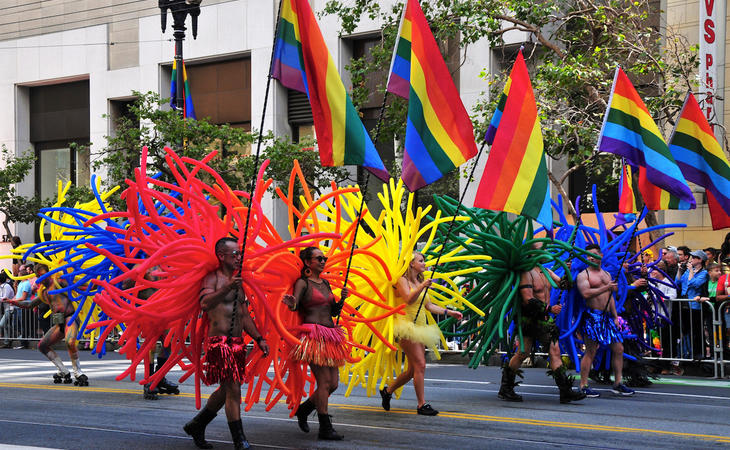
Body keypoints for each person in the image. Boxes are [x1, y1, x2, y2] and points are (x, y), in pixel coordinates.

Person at [183, 237, 269, 450]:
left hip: (237, 344)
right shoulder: (212, 279)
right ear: (221, 256)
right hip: (218, 342)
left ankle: (197, 424)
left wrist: (259, 338)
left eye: (240, 254)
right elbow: (205, 303)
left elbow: (244, 316)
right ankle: (239, 440)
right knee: (233, 388)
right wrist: (227, 287)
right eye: (235, 254)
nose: (239, 258)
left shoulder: (239, 283)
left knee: (227, 389)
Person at [379, 252, 464, 415]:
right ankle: (421, 405)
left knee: (412, 370)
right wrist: (422, 286)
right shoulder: (402, 280)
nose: (424, 263)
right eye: (421, 261)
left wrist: (449, 312)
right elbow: (409, 299)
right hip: (406, 327)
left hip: (421, 328)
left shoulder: (418, 281)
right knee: (421, 365)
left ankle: (387, 391)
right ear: (411, 263)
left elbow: (429, 306)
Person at [282, 246, 349, 440]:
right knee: (324, 382)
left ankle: (304, 410)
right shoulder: (302, 283)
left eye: (324, 258)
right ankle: (325, 427)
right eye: (318, 258)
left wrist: (342, 300)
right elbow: (296, 305)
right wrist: (290, 303)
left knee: (334, 384)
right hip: (313, 336)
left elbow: (333, 311)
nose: (323, 261)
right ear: (308, 263)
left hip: (331, 336)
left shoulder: (326, 283)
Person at [7, 264, 87, 384]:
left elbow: (79, 286)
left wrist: (98, 284)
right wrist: (13, 302)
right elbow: (30, 304)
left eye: (43, 274)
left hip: (70, 318)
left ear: (48, 273)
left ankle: (78, 372)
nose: (41, 277)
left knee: (70, 342)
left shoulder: (59, 283)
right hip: (59, 323)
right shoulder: (43, 292)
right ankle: (63, 371)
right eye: (38, 275)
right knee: (42, 345)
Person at [576, 244, 635, 397]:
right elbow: (586, 293)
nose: (591, 258)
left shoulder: (607, 274)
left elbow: (611, 299)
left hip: (608, 318)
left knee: (619, 349)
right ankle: (583, 385)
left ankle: (618, 383)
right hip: (592, 317)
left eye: (594, 254)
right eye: (588, 255)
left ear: (601, 256)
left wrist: (615, 316)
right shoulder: (584, 275)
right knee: (591, 351)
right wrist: (607, 287)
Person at [676, 249, 708, 360]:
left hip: (695, 306)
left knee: (696, 331)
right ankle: (687, 352)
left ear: (700, 260)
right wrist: (680, 271)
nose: (691, 259)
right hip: (684, 303)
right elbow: (678, 282)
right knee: (686, 330)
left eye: (694, 257)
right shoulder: (689, 270)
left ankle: (699, 353)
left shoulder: (704, 273)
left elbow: (693, 283)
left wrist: (690, 272)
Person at [0, 272, 16, 347]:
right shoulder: (1, 287)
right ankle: (7, 341)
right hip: (5, 308)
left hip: (10, 308)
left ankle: (11, 336)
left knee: (2, 324)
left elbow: (5, 298)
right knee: (5, 325)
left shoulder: (6, 286)